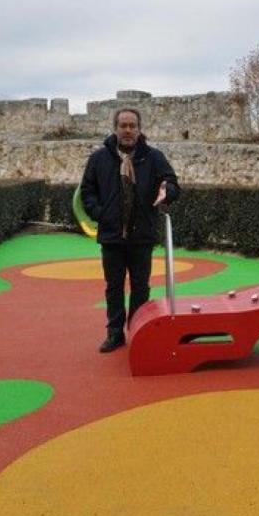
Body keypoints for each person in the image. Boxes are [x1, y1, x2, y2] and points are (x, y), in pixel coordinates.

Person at [81, 108, 181, 353]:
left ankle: (137, 331)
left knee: (140, 287)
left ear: (139, 129)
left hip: (142, 235)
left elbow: (172, 183)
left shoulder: (154, 157)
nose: (127, 130)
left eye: (132, 126)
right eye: (123, 125)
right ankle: (114, 334)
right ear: (115, 128)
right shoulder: (99, 159)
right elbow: (87, 191)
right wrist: (101, 214)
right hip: (112, 236)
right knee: (113, 287)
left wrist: (167, 191)